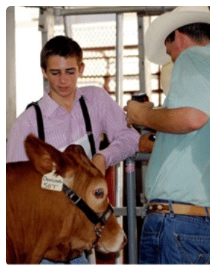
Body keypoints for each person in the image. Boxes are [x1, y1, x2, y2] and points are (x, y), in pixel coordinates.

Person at [124, 6, 210, 264]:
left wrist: (142, 116)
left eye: (169, 50)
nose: (173, 58)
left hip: (182, 221)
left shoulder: (194, 56)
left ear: (178, 36)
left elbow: (192, 117)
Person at [6, 35, 140, 264]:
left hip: (80, 236)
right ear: (44, 72)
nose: (63, 81)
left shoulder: (96, 99)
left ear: (81, 68)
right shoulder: (27, 123)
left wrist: (102, 158)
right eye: (55, 73)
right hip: (44, 244)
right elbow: (13, 191)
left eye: (70, 71)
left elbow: (130, 137)